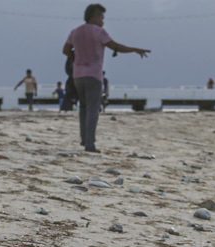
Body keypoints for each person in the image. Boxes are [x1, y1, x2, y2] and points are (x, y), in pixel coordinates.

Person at [63, 3, 150, 153]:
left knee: (83, 107)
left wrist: (75, 58)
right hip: (94, 75)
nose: (103, 21)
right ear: (94, 16)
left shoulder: (75, 31)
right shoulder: (99, 32)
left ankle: (84, 139)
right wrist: (135, 50)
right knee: (93, 108)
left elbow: (65, 50)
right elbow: (116, 46)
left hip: (78, 75)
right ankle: (90, 144)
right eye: (101, 17)